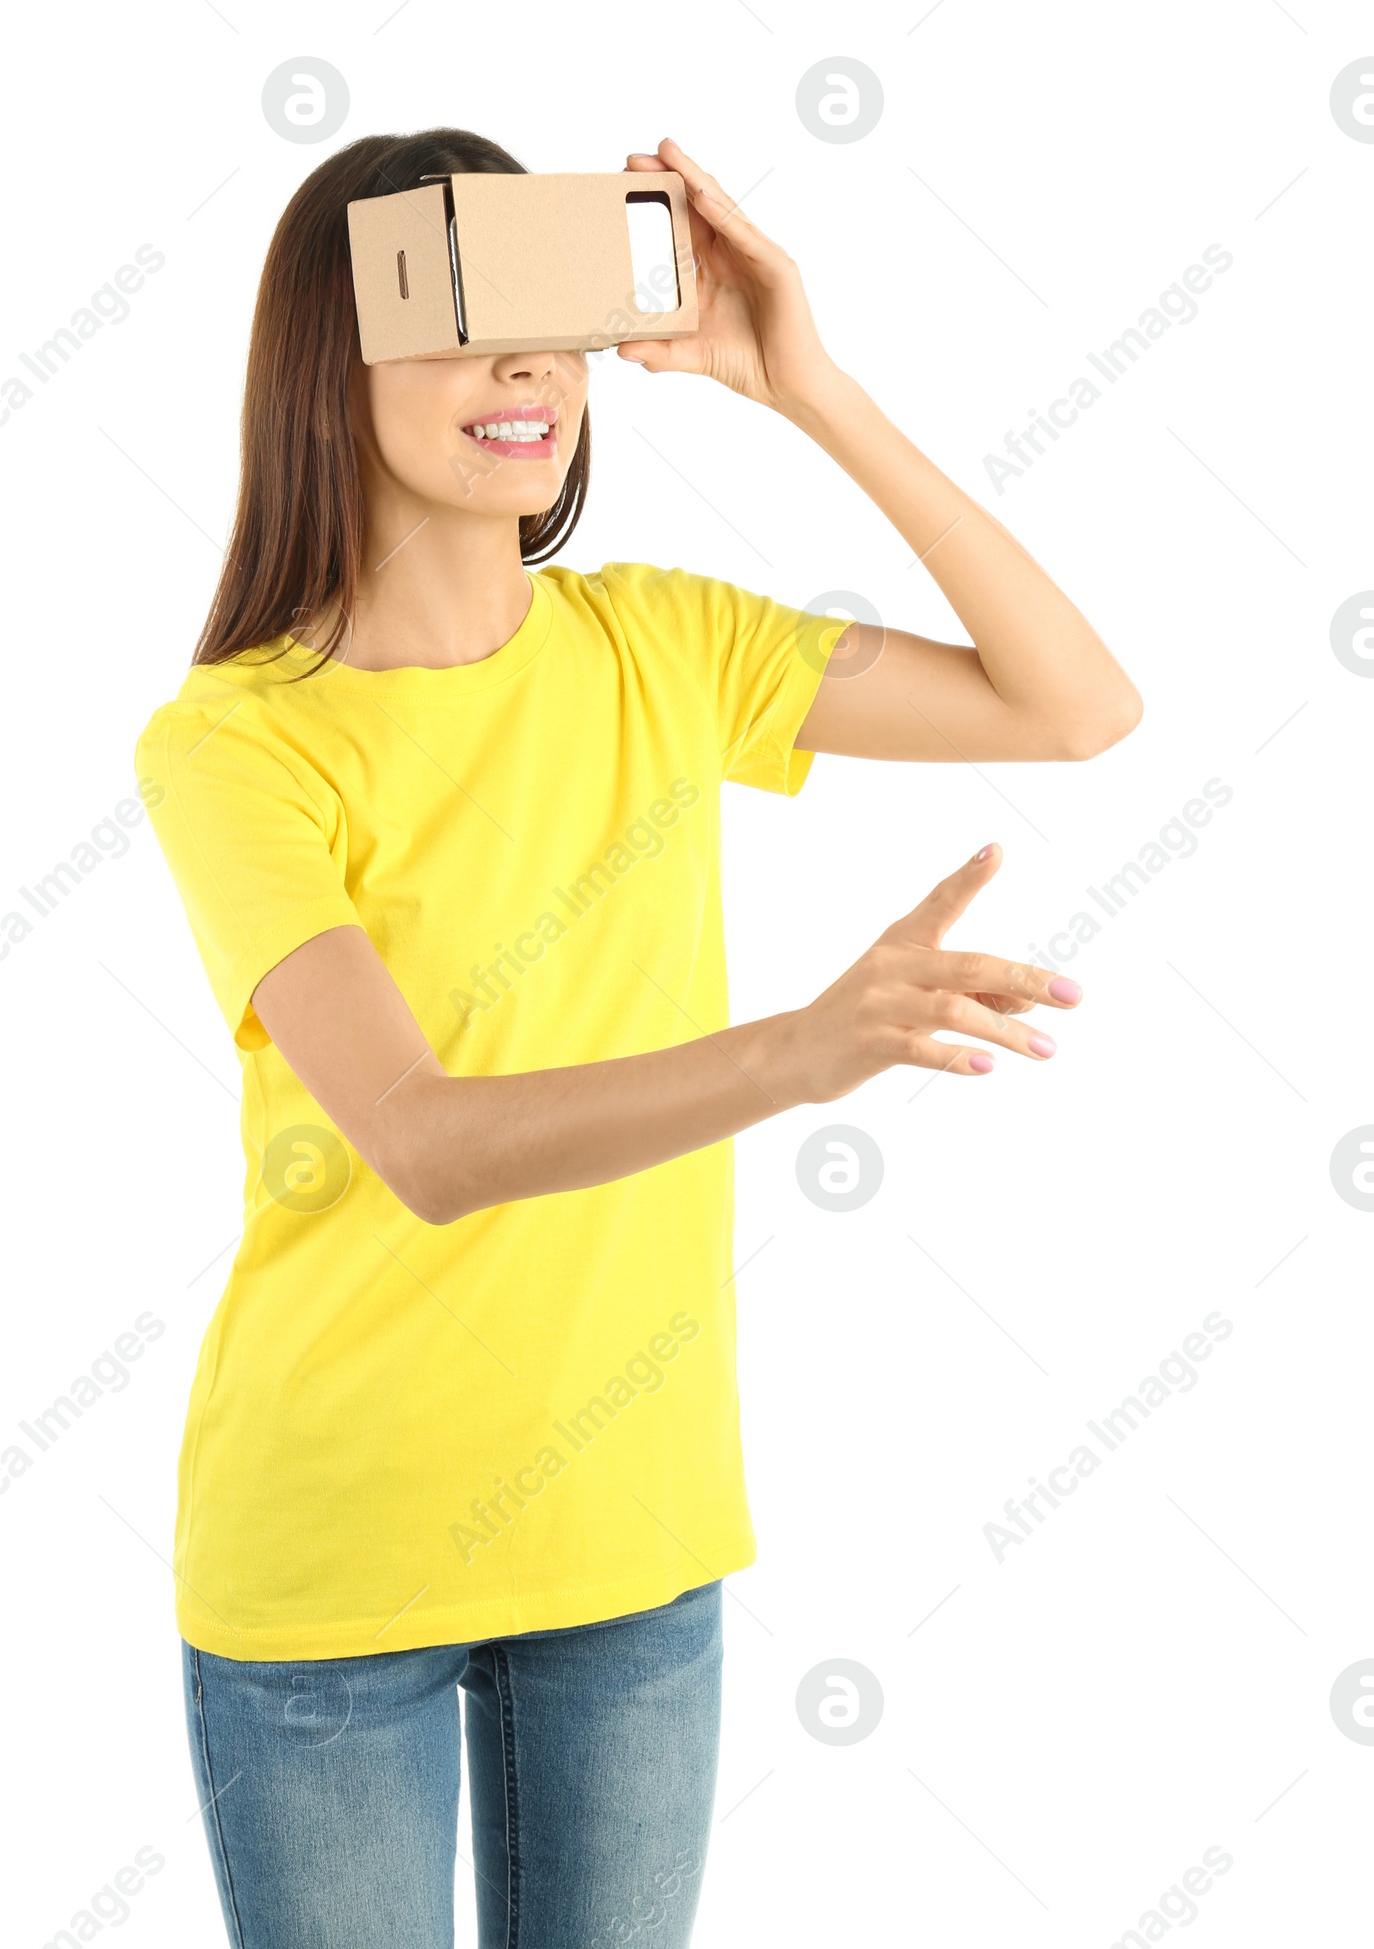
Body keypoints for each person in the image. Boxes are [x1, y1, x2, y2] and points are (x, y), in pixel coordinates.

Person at [134, 126, 1140, 1949]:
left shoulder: (665, 649)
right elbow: (427, 1141)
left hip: (630, 1537)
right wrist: (805, 1049)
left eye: (545, 322)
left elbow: (1075, 703)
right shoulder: (233, 745)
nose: (520, 368)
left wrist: (807, 384)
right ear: (321, 364)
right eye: (452, 315)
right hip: (331, 1558)